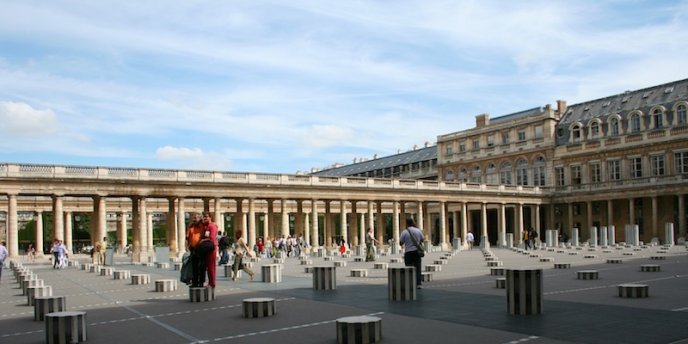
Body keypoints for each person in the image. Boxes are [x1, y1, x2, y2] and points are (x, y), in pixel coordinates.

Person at [399, 218, 425, 289]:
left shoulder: (404, 232)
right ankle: (418, 283)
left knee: (409, 268)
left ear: (407, 223)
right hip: (417, 252)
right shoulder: (418, 230)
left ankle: (410, 283)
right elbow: (423, 239)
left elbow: (401, 243)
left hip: (408, 252)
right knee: (418, 268)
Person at [186, 213, 205, 287]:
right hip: (193, 249)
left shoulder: (202, 227)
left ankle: (201, 282)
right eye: (194, 218)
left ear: (200, 219)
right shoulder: (191, 227)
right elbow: (187, 238)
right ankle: (194, 282)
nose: (194, 219)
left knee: (202, 266)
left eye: (196, 218)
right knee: (194, 266)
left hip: (201, 248)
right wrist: (187, 246)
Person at [201, 212, 218, 288]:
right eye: (204, 217)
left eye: (207, 217)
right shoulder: (206, 226)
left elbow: (212, 238)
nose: (205, 218)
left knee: (211, 266)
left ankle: (212, 283)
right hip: (206, 248)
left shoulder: (212, 226)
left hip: (211, 248)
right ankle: (210, 282)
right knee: (208, 266)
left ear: (211, 217)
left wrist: (203, 241)